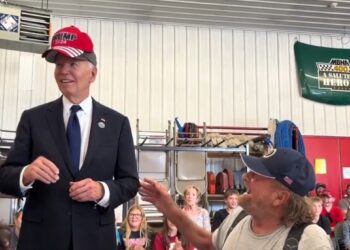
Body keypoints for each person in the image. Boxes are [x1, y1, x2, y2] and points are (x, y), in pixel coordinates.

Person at [0, 25, 139, 250]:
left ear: (92, 73)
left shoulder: (117, 123)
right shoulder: (33, 119)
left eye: (72, 64)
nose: (63, 71)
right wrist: (26, 173)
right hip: (41, 240)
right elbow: (5, 176)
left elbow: (130, 183)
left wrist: (102, 190)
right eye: (59, 64)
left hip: (95, 240)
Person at [140, 148, 332, 250]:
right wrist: (168, 207)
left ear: (279, 197)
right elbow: (208, 243)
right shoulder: (240, 217)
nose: (246, 177)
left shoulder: (310, 240)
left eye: (256, 175)